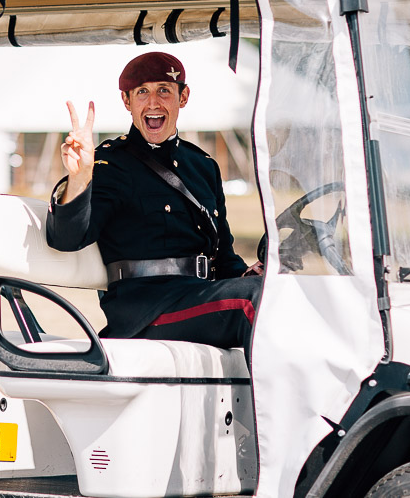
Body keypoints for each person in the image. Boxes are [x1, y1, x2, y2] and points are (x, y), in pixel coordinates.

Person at [46, 51, 262, 362]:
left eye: (164, 90)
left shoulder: (203, 166)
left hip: (197, 299)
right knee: (256, 300)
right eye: (142, 92)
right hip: (145, 309)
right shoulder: (111, 163)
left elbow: (222, 256)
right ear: (127, 101)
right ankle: (279, 397)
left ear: (182, 97)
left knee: (278, 290)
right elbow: (67, 239)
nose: (153, 102)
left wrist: (248, 275)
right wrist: (79, 178)